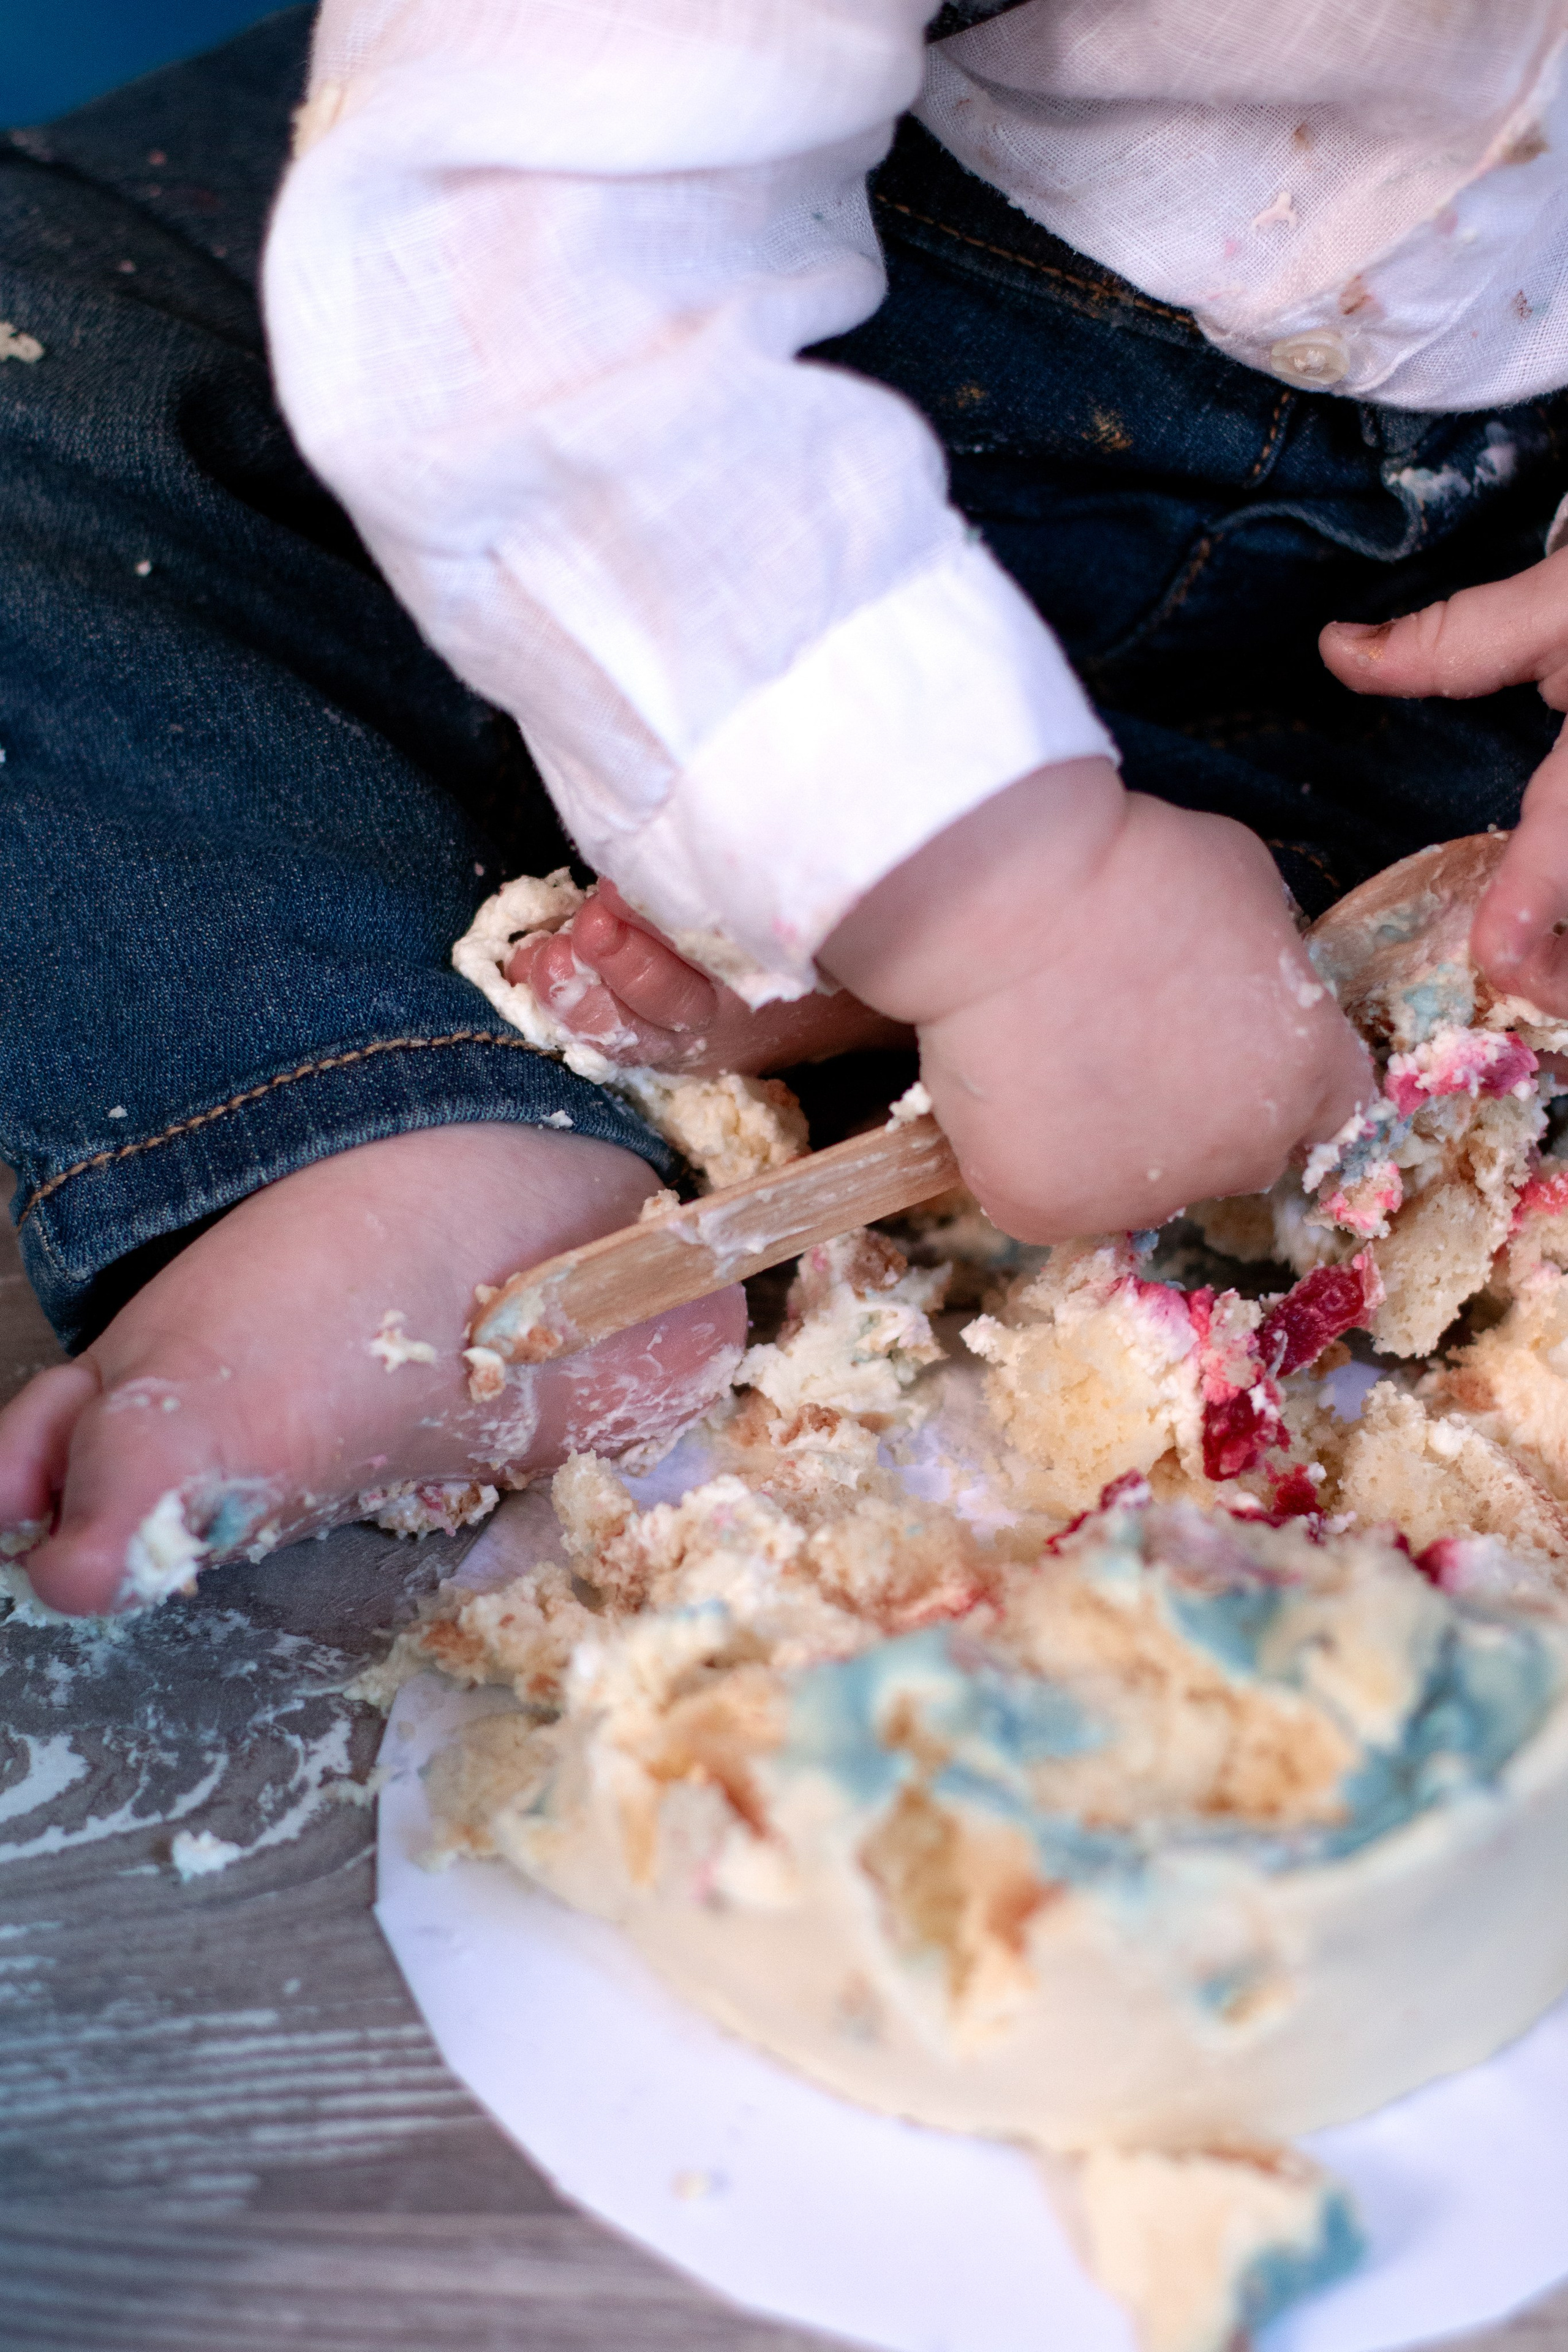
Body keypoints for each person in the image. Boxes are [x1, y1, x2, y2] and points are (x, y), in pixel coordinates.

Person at [3, 0, 1567, 1615]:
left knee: (1479, 882)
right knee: (40, 362)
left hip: (1438, 601)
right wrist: (994, 886)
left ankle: (1024, 953)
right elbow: (506, 260)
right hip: (709, 407)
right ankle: (387, 1102)